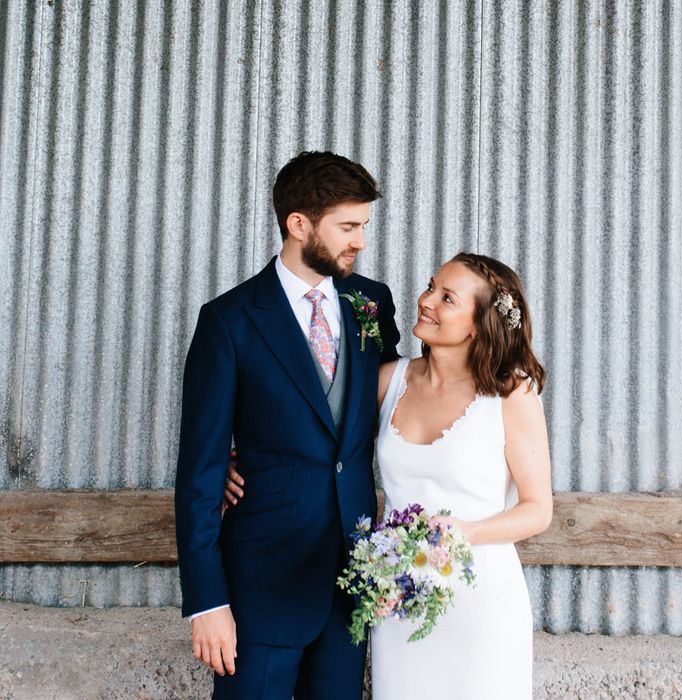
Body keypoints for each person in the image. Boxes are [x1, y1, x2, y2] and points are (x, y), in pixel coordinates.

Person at [226, 252, 553, 699]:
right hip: (397, 599)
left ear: (478, 324)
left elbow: (538, 511)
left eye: (447, 298)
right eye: (431, 285)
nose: (426, 300)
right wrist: (233, 460)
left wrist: (463, 532)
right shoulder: (388, 380)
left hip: (480, 604)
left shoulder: (510, 393)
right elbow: (306, 429)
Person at [175, 151, 400, 699]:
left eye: (363, 226)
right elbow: (199, 473)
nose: (360, 242)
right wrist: (207, 602)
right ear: (298, 224)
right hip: (262, 587)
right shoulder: (228, 322)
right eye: (348, 227)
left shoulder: (372, 303)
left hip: (351, 583)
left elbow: (397, 404)